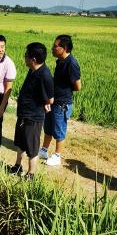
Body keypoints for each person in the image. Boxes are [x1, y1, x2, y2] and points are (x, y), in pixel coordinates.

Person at [10, 42, 54, 179]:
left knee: (32, 147)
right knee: (20, 142)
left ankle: (31, 174)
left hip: (33, 117)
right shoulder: (33, 69)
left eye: (26, 56)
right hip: (24, 115)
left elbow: (50, 99)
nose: (24, 58)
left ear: (33, 59)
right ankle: (18, 166)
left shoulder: (44, 75)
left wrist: (44, 103)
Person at [39, 35, 81, 166]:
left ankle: (57, 156)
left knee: (59, 129)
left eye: (55, 46)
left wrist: (63, 90)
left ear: (64, 48)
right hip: (54, 101)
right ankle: (44, 150)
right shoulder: (60, 61)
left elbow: (78, 86)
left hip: (62, 103)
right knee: (49, 127)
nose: (52, 48)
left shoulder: (71, 64)